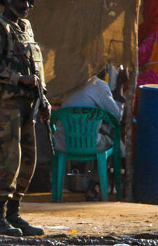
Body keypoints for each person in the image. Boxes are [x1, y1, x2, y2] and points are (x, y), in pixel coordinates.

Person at [0, 0, 50, 237]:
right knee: (10, 159)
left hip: (28, 104)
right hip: (6, 104)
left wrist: (44, 99)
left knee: (28, 161)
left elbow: (35, 68)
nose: (27, 4)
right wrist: (19, 79)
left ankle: (13, 215)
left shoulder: (26, 28)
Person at [53, 68, 128, 200]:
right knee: (111, 141)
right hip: (89, 144)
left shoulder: (70, 84)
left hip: (63, 143)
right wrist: (119, 88)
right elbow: (116, 116)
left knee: (98, 133)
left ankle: (90, 186)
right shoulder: (98, 85)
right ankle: (93, 185)